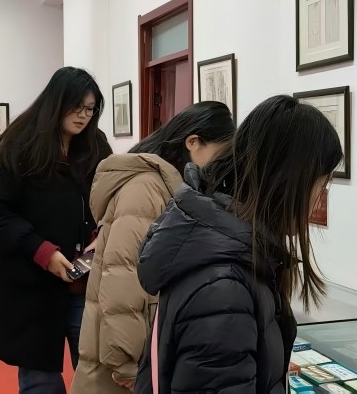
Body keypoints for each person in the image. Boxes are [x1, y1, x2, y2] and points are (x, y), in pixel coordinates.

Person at [135, 94, 343, 394]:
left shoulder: (233, 254)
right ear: (288, 182)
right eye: (320, 185)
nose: (319, 200)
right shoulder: (224, 289)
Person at [70, 101, 235, 394]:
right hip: (122, 366)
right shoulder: (146, 187)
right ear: (193, 142)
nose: (218, 167)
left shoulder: (169, 186)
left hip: (143, 353)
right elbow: (123, 281)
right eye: (219, 155)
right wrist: (128, 362)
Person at [0, 67, 112, 394]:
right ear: (56, 101)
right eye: (77, 106)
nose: (84, 116)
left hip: (84, 282)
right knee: (39, 378)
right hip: (30, 286)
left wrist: (102, 233)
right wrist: (43, 251)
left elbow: (111, 198)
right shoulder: (18, 146)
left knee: (95, 373)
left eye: (90, 108)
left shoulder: (96, 145)